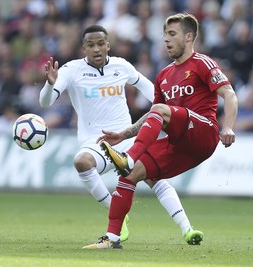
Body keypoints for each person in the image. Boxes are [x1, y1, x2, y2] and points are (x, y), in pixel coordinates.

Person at [83, 13, 238, 249]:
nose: (166, 40)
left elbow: (229, 94)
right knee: (129, 175)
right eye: (165, 34)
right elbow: (154, 116)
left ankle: (130, 157)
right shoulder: (164, 75)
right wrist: (124, 134)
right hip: (180, 144)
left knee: (143, 140)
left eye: (172, 34)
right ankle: (112, 237)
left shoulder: (202, 63)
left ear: (188, 37)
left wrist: (228, 125)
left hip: (204, 132)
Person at [40, 25, 194, 246]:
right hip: (96, 142)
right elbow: (45, 102)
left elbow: (153, 92)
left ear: (108, 45)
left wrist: (175, 109)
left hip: (127, 138)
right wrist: (49, 84)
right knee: (82, 162)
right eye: (91, 45)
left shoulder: (121, 66)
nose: (96, 49)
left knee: (155, 178)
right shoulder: (71, 70)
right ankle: (116, 212)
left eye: (101, 44)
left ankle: (187, 229)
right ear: (84, 48)